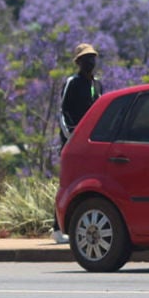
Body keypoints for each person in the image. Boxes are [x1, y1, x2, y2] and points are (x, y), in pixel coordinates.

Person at [55, 43, 103, 243]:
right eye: (85, 59)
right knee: (68, 182)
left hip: (93, 143)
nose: (90, 62)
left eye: (92, 58)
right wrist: (71, 137)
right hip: (74, 141)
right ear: (78, 62)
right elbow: (63, 111)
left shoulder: (97, 84)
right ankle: (57, 228)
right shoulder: (72, 82)